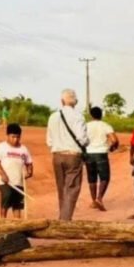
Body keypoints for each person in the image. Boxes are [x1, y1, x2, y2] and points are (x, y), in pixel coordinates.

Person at [46, 88, 89, 221]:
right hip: (73, 156)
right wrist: (87, 142)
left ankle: (63, 217)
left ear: (62, 101)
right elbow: (82, 139)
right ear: (75, 102)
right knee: (71, 189)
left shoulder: (53, 116)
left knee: (62, 189)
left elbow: (49, 140)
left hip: (57, 155)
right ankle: (64, 221)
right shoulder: (78, 116)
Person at [0, 123, 33, 218]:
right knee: (7, 196)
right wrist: (3, 174)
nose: (15, 139)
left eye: (18, 137)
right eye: (13, 137)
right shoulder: (1, 147)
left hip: (19, 182)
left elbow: (29, 163)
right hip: (5, 182)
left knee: (17, 205)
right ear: (7, 135)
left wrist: (29, 172)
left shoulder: (24, 149)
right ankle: (3, 221)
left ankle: (17, 224)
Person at [85, 106, 118, 211]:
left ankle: (94, 201)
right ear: (101, 115)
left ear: (91, 115)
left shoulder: (86, 126)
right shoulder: (105, 126)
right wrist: (111, 147)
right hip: (101, 154)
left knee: (92, 178)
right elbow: (114, 140)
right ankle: (99, 198)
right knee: (104, 178)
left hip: (89, 153)